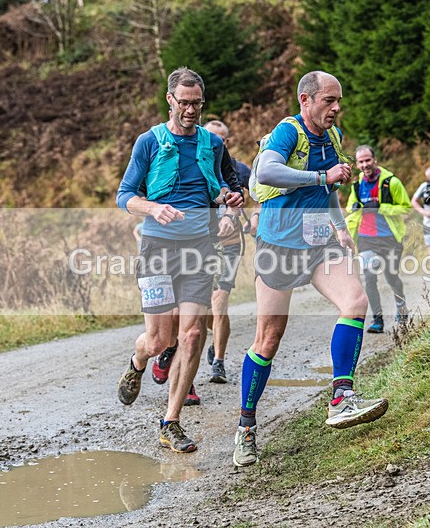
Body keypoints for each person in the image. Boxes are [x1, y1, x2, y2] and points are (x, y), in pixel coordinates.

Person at [231, 70, 389, 468]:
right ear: (305, 100)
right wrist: (321, 175)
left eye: (339, 101)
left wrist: (340, 228)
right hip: (279, 245)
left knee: (356, 301)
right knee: (268, 339)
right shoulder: (289, 131)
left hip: (319, 244)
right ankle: (246, 426)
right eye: (328, 101)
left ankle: (341, 398)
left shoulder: (333, 138)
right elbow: (264, 172)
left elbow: (330, 191)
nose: (336, 108)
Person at [115, 67, 243, 453]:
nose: (190, 110)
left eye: (196, 103)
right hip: (157, 248)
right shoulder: (149, 142)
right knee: (160, 340)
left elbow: (230, 188)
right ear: (170, 100)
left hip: (200, 249)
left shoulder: (212, 144)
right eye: (184, 103)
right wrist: (153, 209)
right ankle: (137, 363)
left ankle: (170, 422)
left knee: (191, 334)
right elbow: (125, 196)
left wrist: (229, 209)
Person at [198, 119, 255, 384]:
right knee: (204, 308)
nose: (214, 143)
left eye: (220, 140)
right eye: (209, 138)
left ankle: (218, 362)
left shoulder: (239, 170)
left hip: (230, 245)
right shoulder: (196, 167)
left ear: (227, 142)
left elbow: (257, 199)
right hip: (200, 244)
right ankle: (214, 340)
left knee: (219, 303)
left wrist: (250, 219)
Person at [345, 145, 411, 334]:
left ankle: (402, 308)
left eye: (368, 160)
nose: (365, 164)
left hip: (390, 239)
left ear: (375, 160)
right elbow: (350, 207)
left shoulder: (392, 183)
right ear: (357, 164)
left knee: (391, 276)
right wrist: (355, 206)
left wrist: (381, 207)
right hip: (366, 239)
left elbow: (406, 208)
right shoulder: (356, 185)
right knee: (370, 277)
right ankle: (378, 320)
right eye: (361, 161)